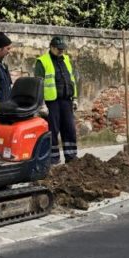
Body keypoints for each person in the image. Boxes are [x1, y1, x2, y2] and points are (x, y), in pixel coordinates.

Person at [35, 36, 78, 164]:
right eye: (58, 49)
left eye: (62, 49)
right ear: (51, 47)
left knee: (69, 128)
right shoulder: (42, 61)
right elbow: (39, 84)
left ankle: (71, 157)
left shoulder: (66, 59)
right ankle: (53, 159)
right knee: (52, 130)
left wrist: (74, 98)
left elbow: (71, 80)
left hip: (66, 100)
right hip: (51, 102)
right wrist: (41, 104)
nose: (61, 51)